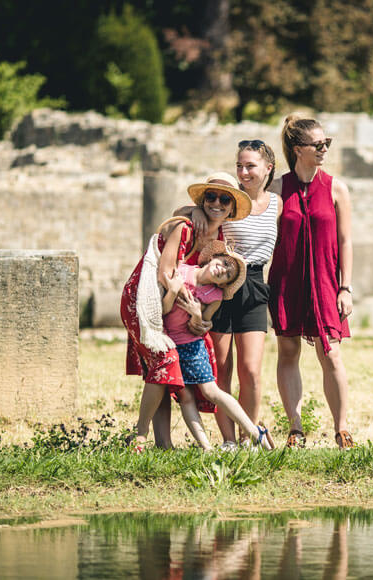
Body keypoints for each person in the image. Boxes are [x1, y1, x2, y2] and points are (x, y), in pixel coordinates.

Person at [121, 173, 252, 451]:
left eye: (224, 199)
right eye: (210, 197)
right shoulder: (187, 225)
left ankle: (163, 446)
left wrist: (199, 318)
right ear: (202, 200)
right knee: (165, 361)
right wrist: (192, 308)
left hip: (172, 307)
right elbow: (166, 272)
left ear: (231, 209)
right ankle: (141, 437)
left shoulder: (218, 237)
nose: (216, 203)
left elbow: (201, 293)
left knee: (168, 373)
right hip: (146, 300)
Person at [184, 140, 281, 448]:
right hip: (220, 284)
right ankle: (228, 441)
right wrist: (191, 211)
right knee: (221, 369)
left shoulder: (278, 204)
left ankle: (249, 436)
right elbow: (188, 210)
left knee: (251, 370)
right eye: (239, 165)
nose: (243, 172)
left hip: (253, 283)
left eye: (250, 165)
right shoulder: (227, 202)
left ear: (268, 167)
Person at [268, 114, 354, 449]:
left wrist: (345, 287)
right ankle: (295, 428)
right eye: (318, 145)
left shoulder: (336, 188)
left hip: (326, 283)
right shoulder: (277, 189)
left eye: (326, 143)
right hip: (286, 282)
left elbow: (346, 241)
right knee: (287, 351)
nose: (324, 149)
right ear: (296, 148)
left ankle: (342, 428)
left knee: (330, 354)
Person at [162, 241, 273, 451]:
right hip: (170, 344)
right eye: (224, 263)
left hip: (192, 346)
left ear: (223, 284)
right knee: (184, 396)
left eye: (228, 274)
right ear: (213, 258)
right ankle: (206, 448)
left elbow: (201, 327)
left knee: (211, 391)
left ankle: (253, 431)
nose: (223, 269)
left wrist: (196, 313)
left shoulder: (215, 296)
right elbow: (164, 309)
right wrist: (173, 290)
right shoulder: (182, 270)